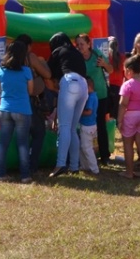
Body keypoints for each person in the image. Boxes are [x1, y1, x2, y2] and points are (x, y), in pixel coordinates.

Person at [48, 32, 87, 177]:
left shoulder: (58, 51)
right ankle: (74, 166)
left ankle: (60, 165)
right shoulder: (76, 52)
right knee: (72, 128)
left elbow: (48, 71)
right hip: (83, 86)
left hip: (69, 82)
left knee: (64, 127)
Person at [0, 38, 34, 183]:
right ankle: (25, 175)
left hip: (4, 109)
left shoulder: (2, 70)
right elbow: (30, 91)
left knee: (3, 143)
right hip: (22, 109)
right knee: (22, 143)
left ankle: (1, 174)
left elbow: (1, 87)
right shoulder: (26, 71)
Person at [75, 33, 113, 166]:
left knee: (100, 125)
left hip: (100, 95)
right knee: (84, 125)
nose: (80, 47)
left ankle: (104, 156)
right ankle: (85, 156)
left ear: (89, 44)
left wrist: (104, 64)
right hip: (84, 96)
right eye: (78, 44)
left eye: (82, 44)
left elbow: (111, 70)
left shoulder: (96, 54)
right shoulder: (77, 57)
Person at [119, 54, 140, 180]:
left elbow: (123, 104)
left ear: (129, 70)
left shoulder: (127, 85)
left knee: (128, 144)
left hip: (130, 116)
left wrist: (119, 120)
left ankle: (129, 171)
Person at [24, 35, 51, 174]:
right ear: (28, 46)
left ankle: (24, 166)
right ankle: (32, 166)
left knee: (23, 135)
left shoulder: (8, 59)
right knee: (38, 133)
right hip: (31, 100)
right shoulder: (30, 57)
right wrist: (42, 62)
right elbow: (47, 74)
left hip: (14, 102)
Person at [77, 77, 100, 175]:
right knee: (85, 146)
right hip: (92, 126)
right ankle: (85, 166)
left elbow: (89, 111)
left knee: (86, 148)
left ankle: (94, 168)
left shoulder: (90, 97)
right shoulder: (95, 96)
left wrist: (79, 111)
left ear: (88, 87)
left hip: (87, 126)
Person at [105, 36, 124, 133]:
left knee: (108, 108)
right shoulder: (122, 57)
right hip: (119, 86)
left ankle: (109, 126)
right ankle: (116, 126)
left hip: (108, 85)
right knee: (116, 107)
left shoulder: (107, 57)